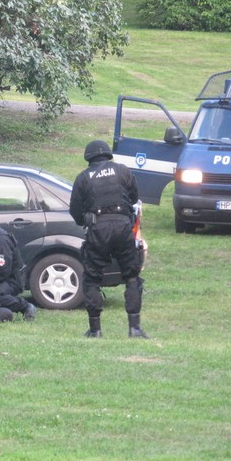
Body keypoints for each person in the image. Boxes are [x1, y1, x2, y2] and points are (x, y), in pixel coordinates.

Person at [69, 139, 148, 338]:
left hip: (98, 228)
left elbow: (75, 210)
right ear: (107, 153)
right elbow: (133, 198)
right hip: (122, 226)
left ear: (89, 157)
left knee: (92, 278)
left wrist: (85, 219)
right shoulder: (123, 171)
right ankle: (134, 328)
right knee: (131, 276)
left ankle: (95, 330)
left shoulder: (83, 177)